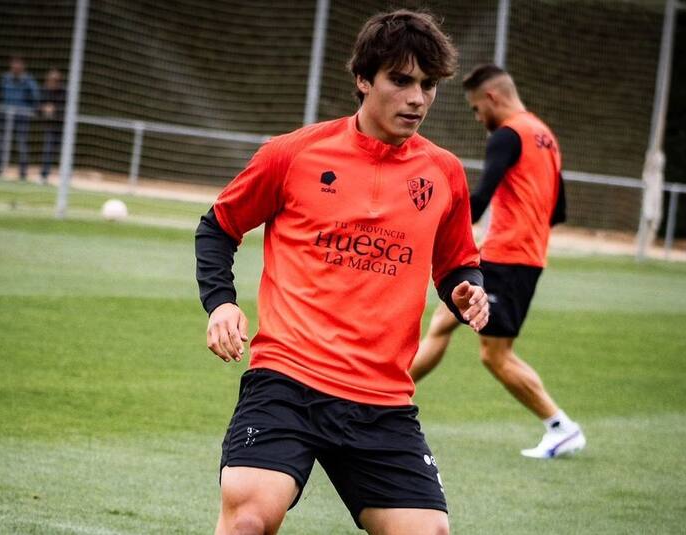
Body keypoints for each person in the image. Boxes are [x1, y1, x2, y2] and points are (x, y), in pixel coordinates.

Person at [195, 10, 489, 534]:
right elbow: (218, 227)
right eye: (401, 81)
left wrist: (468, 292)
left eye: (428, 85)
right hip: (287, 380)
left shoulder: (444, 173)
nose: (417, 98)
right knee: (249, 517)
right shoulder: (293, 154)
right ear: (362, 78)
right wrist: (221, 302)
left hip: (381, 399)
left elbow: (456, 262)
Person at [409, 64, 585, 460]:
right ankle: (385, 396)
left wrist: (426, 223)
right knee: (442, 321)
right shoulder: (545, 136)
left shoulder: (507, 135)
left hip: (508, 259)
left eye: (475, 109)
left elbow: (481, 198)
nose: (477, 118)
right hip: (520, 255)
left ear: (491, 98)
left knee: (495, 354)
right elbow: (559, 210)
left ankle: (560, 426)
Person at [0, 55, 39, 180]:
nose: (16, 67)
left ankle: (23, 173)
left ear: (23, 66)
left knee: (22, 144)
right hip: (6, 115)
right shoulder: (5, 79)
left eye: (18, 64)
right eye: (14, 64)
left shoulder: (28, 81)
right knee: (1, 143)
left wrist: (31, 109)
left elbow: (36, 98)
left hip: (22, 116)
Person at [39, 68, 65, 183]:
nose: (52, 82)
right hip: (50, 127)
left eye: (55, 80)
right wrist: (43, 108)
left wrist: (55, 109)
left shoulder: (64, 92)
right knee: (48, 150)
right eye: (50, 79)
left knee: (64, 153)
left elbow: (66, 108)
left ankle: (64, 178)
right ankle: (44, 176)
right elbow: (37, 106)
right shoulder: (44, 91)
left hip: (63, 127)